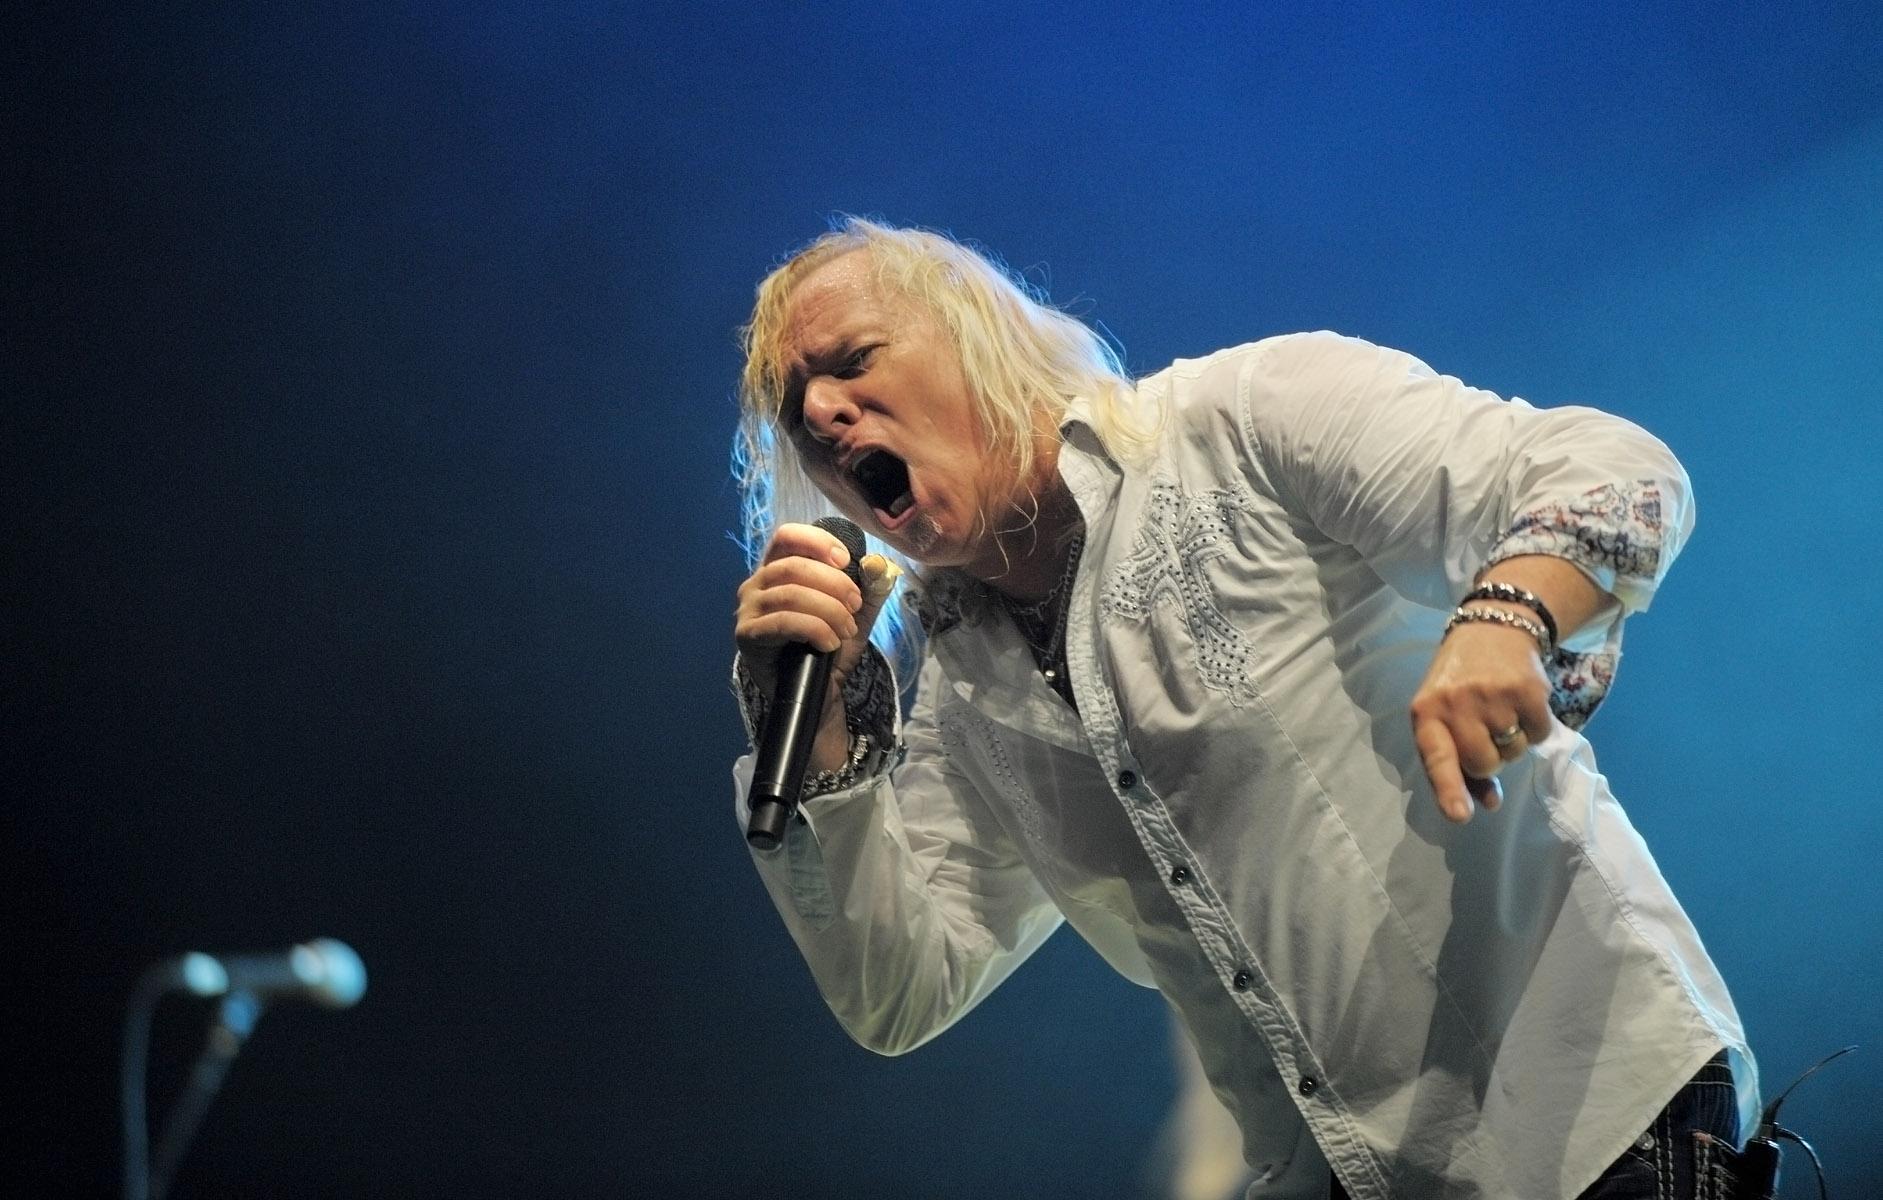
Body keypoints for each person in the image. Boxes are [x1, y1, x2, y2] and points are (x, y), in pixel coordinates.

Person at [726, 218, 1756, 1199]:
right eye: (794, 406)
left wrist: (1504, 615)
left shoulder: (1244, 419)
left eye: (852, 360)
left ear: (976, 337)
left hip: (1584, 1121)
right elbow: (898, 992)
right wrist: (821, 742)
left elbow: (1617, 470)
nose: (820, 414)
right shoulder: (962, 688)